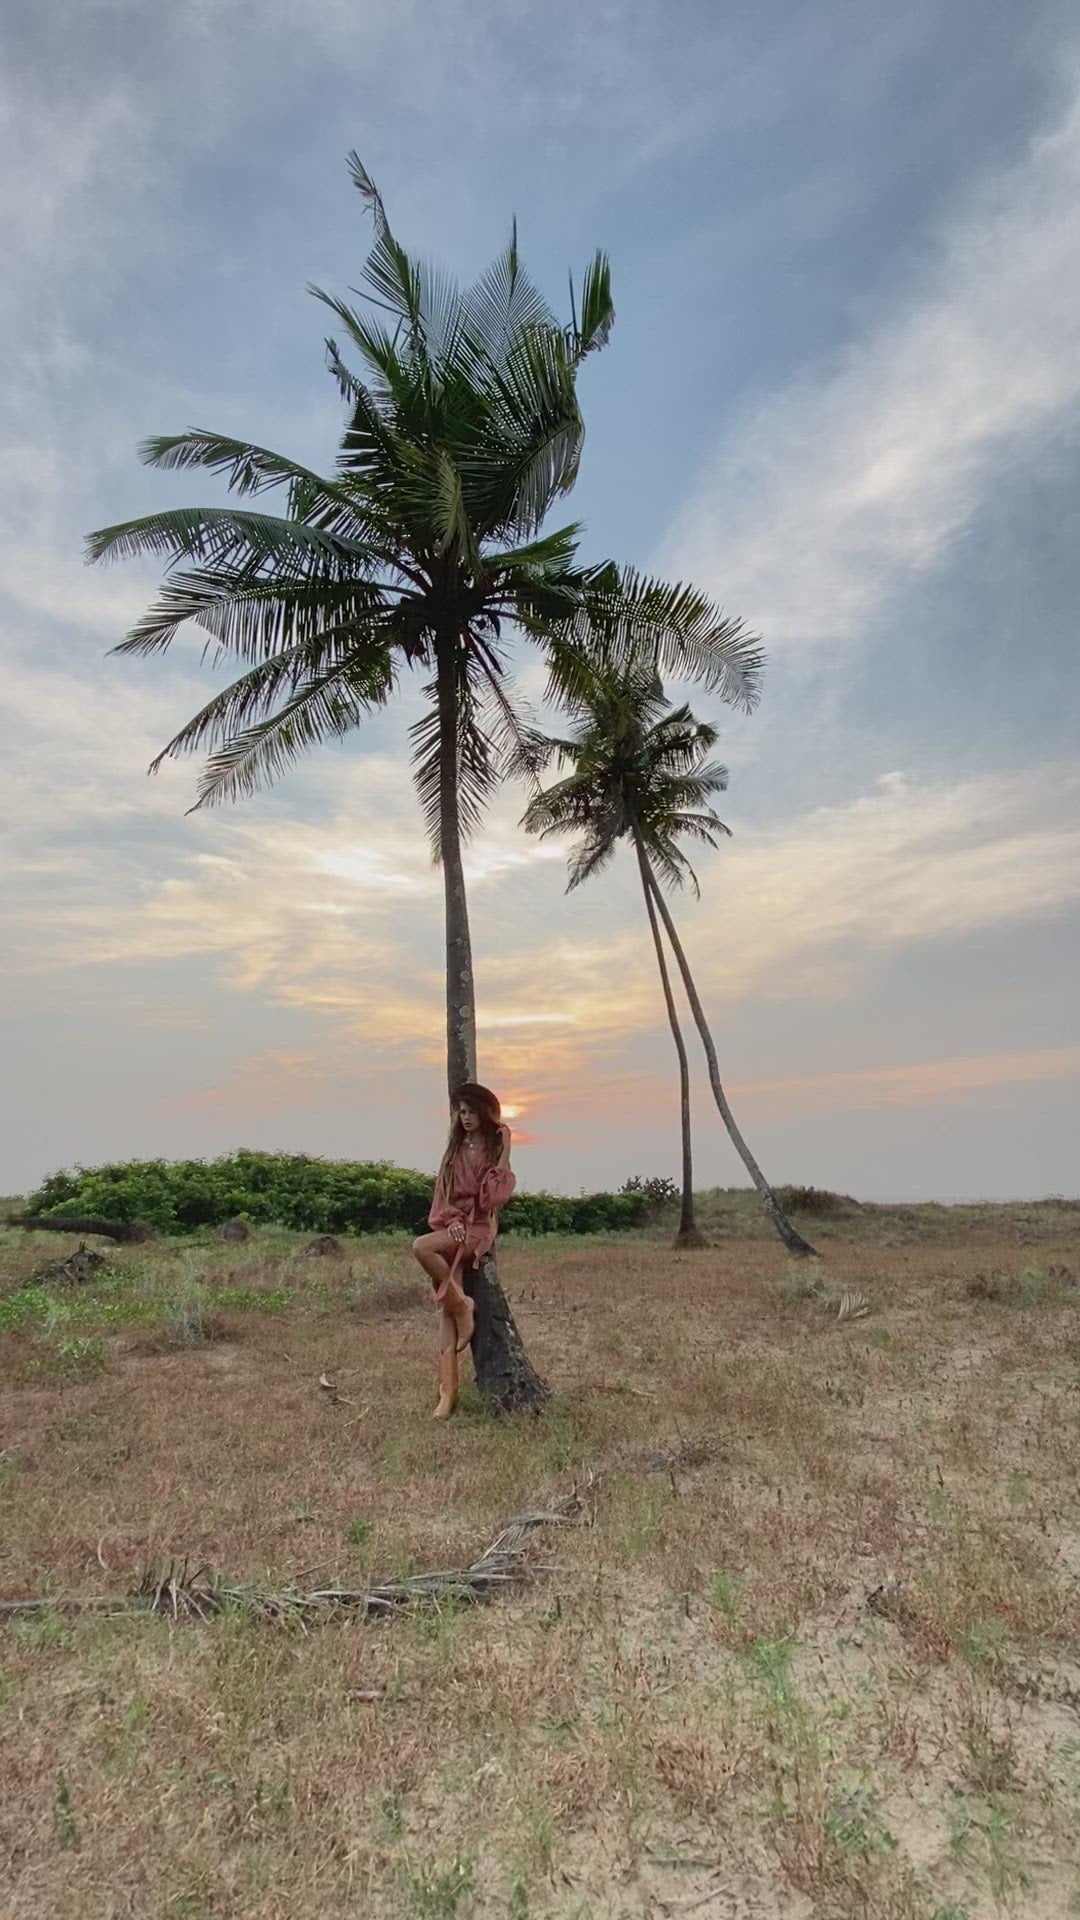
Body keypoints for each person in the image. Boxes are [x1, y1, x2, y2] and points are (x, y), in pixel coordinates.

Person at [412, 1083, 516, 1420]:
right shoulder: (454, 1151)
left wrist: (506, 1148)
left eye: (471, 1111)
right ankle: (448, 1391)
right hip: (453, 1228)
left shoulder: (490, 1149)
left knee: (421, 1247)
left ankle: (462, 1305)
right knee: (446, 1310)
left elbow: (493, 1200)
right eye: (461, 1111)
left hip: (478, 1229)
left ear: (484, 1114)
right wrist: (451, 1220)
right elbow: (441, 1201)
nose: (465, 1117)